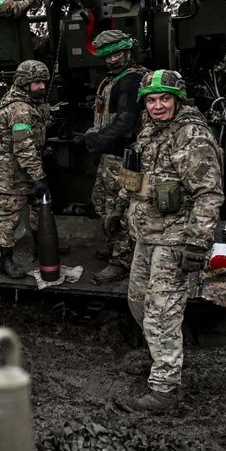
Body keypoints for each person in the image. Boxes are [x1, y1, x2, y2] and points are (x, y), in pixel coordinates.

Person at [114, 70, 224, 412]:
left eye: (164, 99)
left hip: (174, 238)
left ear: (177, 100)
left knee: (161, 312)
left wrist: (197, 243)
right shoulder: (149, 130)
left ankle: (164, 390)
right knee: (138, 301)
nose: (158, 106)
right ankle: (164, 356)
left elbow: (208, 193)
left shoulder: (191, 136)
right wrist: (120, 207)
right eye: (151, 100)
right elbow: (138, 177)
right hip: (146, 235)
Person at [75, 29, 148, 284]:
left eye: (116, 55)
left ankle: (122, 259)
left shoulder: (131, 80)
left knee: (119, 209)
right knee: (100, 202)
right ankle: (114, 245)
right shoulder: (112, 80)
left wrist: (95, 140)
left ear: (127, 52)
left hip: (123, 156)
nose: (111, 60)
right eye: (107, 57)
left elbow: (125, 123)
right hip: (109, 156)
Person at [0, 60, 51, 278]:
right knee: (10, 216)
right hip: (12, 172)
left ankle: (42, 246)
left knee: (39, 207)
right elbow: (24, 147)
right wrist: (39, 176)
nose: (42, 86)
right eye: (37, 82)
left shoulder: (29, 102)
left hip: (25, 167)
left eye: (43, 82)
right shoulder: (19, 109)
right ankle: (3, 259)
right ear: (24, 83)